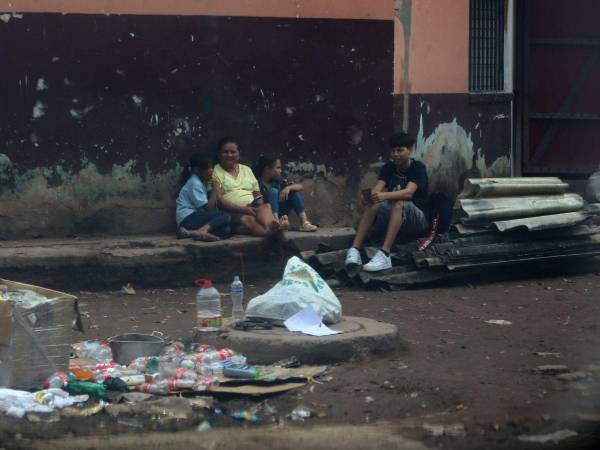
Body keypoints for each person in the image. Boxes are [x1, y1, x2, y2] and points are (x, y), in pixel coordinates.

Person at [345, 132, 429, 272]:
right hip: (395, 215)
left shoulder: (418, 168)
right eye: (393, 151)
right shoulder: (389, 167)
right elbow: (377, 190)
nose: (395, 154)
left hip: (418, 220)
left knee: (399, 202)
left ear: (410, 150)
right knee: (375, 202)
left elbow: (408, 193)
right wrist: (368, 197)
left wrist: (384, 195)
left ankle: (384, 254)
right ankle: (355, 249)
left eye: (400, 150)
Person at [212, 137, 296, 248]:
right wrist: (244, 209)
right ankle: (278, 230)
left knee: (266, 206)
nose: (229, 155)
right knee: (249, 220)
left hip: (252, 207)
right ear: (219, 154)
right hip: (231, 212)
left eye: (233, 152)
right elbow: (219, 201)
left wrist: (257, 204)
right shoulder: (215, 171)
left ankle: (274, 226)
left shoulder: (246, 169)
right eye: (225, 152)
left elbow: (257, 194)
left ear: (239, 154)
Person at [253, 155, 318, 232]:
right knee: (273, 191)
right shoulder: (256, 183)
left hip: (281, 213)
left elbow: (300, 186)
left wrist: (288, 188)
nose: (280, 171)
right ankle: (276, 223)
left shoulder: (279, 181)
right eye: (278, 168)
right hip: (265, 216)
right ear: (267, 169)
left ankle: (304, 223)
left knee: (293, 192)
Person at [176, 152, 232, 241]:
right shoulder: (194, 183)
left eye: (211, 167)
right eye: (208, 168)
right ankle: (201, 231)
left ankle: (191, 233)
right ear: (196, 170)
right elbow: (208, 209)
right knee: (225, 215)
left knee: (226, 230)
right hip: (187, 218)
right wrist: (215, 190)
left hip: (192, 219)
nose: (211, 170)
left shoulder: (200, 182)